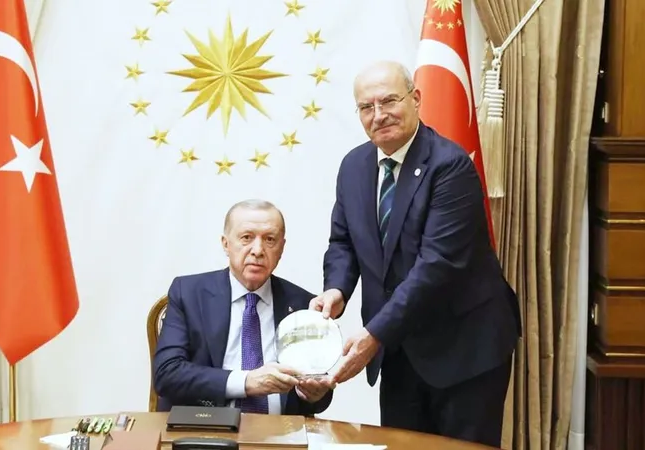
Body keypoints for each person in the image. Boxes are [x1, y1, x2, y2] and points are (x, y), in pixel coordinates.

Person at [311, 61, 522, 446]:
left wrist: (373, 334)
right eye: (366, 107)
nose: (379, 115)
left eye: (389, 101)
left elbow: (436, 267)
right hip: (400, 347)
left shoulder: (450, 166)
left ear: (416, 99)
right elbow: (344, 242)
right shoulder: (354, 166)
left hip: (465, 348)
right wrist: (336, 289)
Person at [153, 199, 335, 416]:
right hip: (205, 428)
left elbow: (318, 393)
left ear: (282, 248)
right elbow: (167, 373)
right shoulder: (189, 293)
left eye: (269, 239)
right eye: (247, 237)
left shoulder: (302, 304)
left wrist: (313, 394)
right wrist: (246, 382)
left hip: (282, 432)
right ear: (226, 244)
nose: (257, 250)